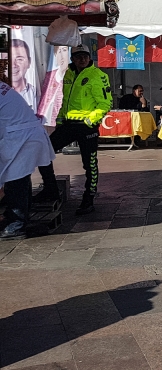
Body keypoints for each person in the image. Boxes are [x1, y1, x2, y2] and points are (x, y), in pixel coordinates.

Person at [33, 45, 111, 216]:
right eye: (78, 56)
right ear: (72, 59)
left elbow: (106, 104)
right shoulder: (68, 74)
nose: (82, 59)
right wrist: (60, 120)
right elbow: (65, 100)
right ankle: (51, 189)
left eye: (85, 56)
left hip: (86, 126)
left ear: (90, 58)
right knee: (44, 151)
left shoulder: (98, 75)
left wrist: (90, 120)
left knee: (89, 164)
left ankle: (88, 198)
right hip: (69, 124)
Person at [0, 81, 56, 240]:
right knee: (18, 179)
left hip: (22, 138)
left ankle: (16, 225)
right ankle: (17, 219)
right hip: (20, 136)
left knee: (15, 181)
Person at [10, 38, 36, 110]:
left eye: (19, 59)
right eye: (8, 59)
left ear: (29, 62)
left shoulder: (36, 93)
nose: (13, 65)